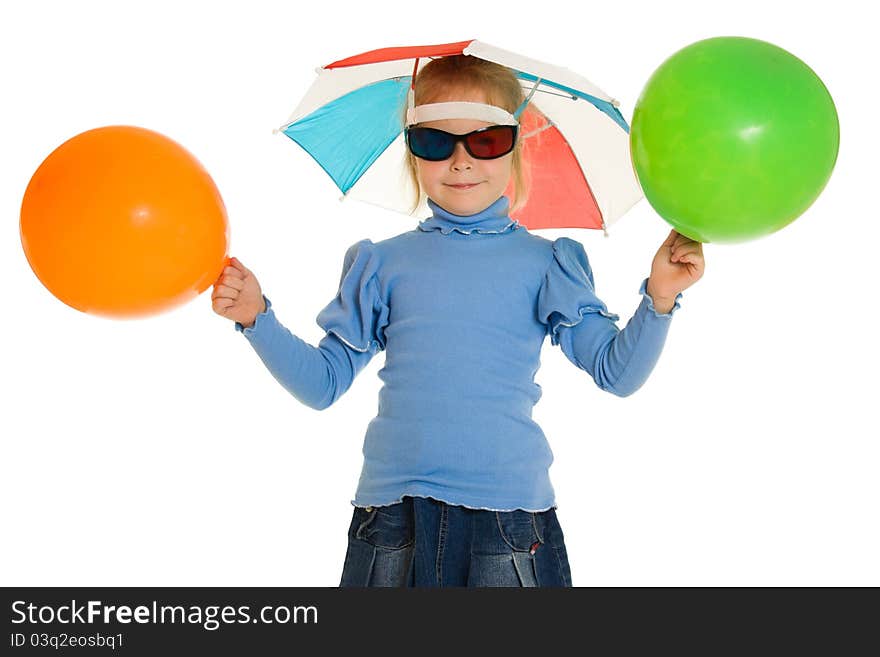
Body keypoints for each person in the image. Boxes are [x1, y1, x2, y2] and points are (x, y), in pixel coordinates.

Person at [211, 55, 705, 587]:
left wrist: (659, 295)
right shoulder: (381, 263)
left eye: (486, 140)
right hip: (394, 519)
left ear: (517, 148)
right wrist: (255, 318)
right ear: (411, 153)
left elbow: (618, 373)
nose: (461, 161)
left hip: (506, 520)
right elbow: (323, 384)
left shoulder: (546, 263)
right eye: (434, 142)